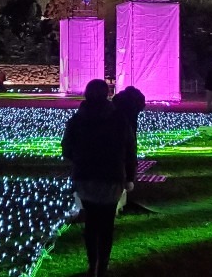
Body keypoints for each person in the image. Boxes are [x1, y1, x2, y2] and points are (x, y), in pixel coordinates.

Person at [61, 79, 137, 277]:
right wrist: (130, 176)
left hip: (86, 178)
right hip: (111, 178)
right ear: (107, 94)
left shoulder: (77, 120)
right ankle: (102, 266)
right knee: (106, 224)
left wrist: (80, 159)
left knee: (91, 222)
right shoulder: (119, 119)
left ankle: (92, 264)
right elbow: (130, 150)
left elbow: (66, 149)